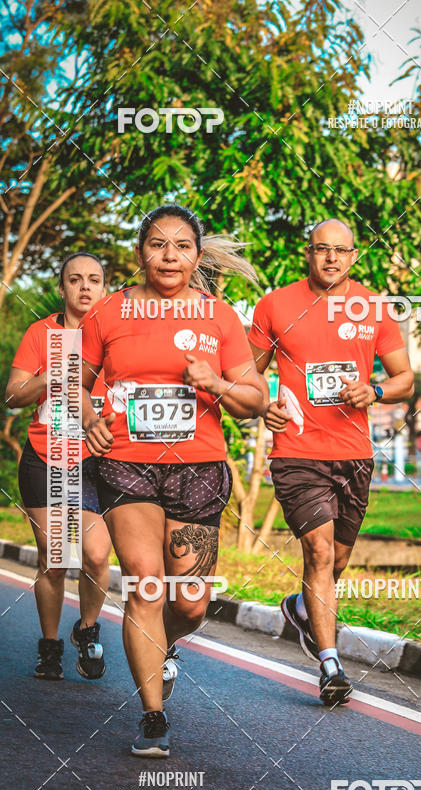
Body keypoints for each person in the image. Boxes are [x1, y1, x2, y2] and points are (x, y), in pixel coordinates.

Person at [81, 204, 264, 757]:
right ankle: (152, 715)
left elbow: (253, 401)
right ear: (141, 252)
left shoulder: (220, 317)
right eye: (158, 244)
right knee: (145, 581)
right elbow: (74, 382)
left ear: (198, 257)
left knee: (188, 604)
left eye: (182, 246)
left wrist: (217, 384)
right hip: (127, 463)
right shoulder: (108, 312)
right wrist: (90, 419)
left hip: (200, 469)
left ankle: (164, 646)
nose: (169, 255)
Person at [248, 219, 414, 706]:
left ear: (354, 256)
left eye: (341, 251)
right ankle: (330, 664)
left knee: (337, 559)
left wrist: (376, 389)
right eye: (322, 249)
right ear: (309, 252)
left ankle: (302, 607)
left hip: (355, 453)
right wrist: (265, 404)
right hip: (297, 452)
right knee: (318, 554)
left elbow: (404, 378)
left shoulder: (373, 307)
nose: (331, 259)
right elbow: (245, 375)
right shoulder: (275, 305)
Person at [6, 253, 112, 681]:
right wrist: (52, 375)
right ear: (63, 287)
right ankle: (50, 647)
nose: (85, 287)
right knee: (55, 558)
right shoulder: (41, 332)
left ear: (105, 287)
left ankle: (86, 629)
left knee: (97, 555)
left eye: (94, 279)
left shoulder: (116, 337)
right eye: (75, 279)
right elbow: (13, 396)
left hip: (95, 462)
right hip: (44, 457)